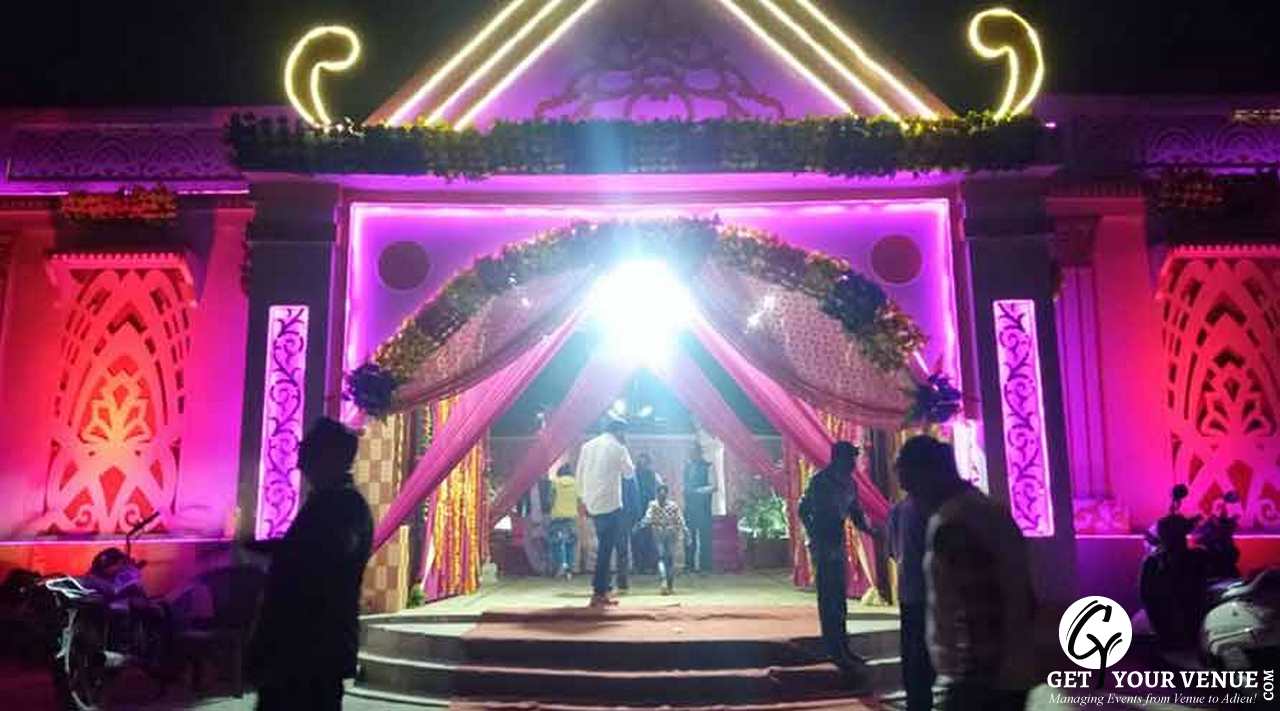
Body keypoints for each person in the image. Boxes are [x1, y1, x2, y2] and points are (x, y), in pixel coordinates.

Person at [898, 434, 1036, 711]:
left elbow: (980, 612)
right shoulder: (989, 509)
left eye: (913, 489)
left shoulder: (953, 523)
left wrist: (969, 685)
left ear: (930, 477)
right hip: (1011, 671)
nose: (914, 500)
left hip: (982, 681)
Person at [247, 418, 373, 711]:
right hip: (297, 650)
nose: (299, 458)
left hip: (311, 649)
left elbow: (319, 561)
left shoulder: (344, 506)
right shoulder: (329, 502)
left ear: (329, 457)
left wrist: (277, 554)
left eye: (308, 449)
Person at [798, 441, 872, 675]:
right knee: (828, 596)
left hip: (837, 541)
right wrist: (814, 536)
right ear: (838, 458)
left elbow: (856, 514)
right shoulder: (821, 481)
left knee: (839, 596)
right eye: (850, 459)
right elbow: (803, 509)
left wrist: (872, 531)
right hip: (822, 541)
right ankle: (833, 648)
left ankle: (843, 646)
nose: (853, 464)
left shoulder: (850, 483)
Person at [575, 418, 635, 607]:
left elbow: (579, 474)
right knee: (606, 549)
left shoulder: (587, 446)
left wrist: (582, 500)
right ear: (619, 431)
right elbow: (629, 473)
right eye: (624, 433)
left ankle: (602, 588)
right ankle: (599, 592)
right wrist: (625, 449)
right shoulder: (618, 447)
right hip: (610, 505)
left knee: (603, 547)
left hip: (591, 503)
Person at [887, 488, 934, 711]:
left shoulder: (898, 510)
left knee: (912, 651)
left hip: (908, 589)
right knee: (923, 651)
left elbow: (891, 551)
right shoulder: (935, 510)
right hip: (929, 590)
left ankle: (915, 701)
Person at [639, 483, 685, 595]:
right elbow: (680, 520)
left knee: (663, 559)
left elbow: (648, 518)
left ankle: (665, 582)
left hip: (660, 532)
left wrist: (640, 525)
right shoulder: (672, 505)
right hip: (669, 532)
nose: (662, 495)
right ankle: (668, 584)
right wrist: (684, 530)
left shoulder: (653, 505)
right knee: (668, 559)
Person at [682, 444, 716, 574]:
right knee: (688, 535)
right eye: (690, 452)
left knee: (705, 537)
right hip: (689, 506)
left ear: (699, 453)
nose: (691, 455)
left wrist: (697, 491)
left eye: (694, 452)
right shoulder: (687, 467)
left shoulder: (708, 466)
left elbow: (714, 486)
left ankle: (705, 566)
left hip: (703, 506)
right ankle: (689, 565)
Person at [631, 453, 663, 574]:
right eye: (641, 462)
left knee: (649, 538)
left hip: (648, 509)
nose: (642, 464)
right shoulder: (633, 474)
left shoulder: (653, 475)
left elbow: (660, 490)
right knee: (637, 538)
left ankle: (651, 565)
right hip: (636, 510)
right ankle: (639, 565)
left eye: (644, 462)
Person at [547, 463, 580, 580]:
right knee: (570, 543)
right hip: (571, 516)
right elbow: (579, 500)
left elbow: (551, 500)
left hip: (557, 516)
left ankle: (560, 565)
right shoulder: (576, 483)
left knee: (557, 542)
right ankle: (569, 569)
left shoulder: (555, 483)